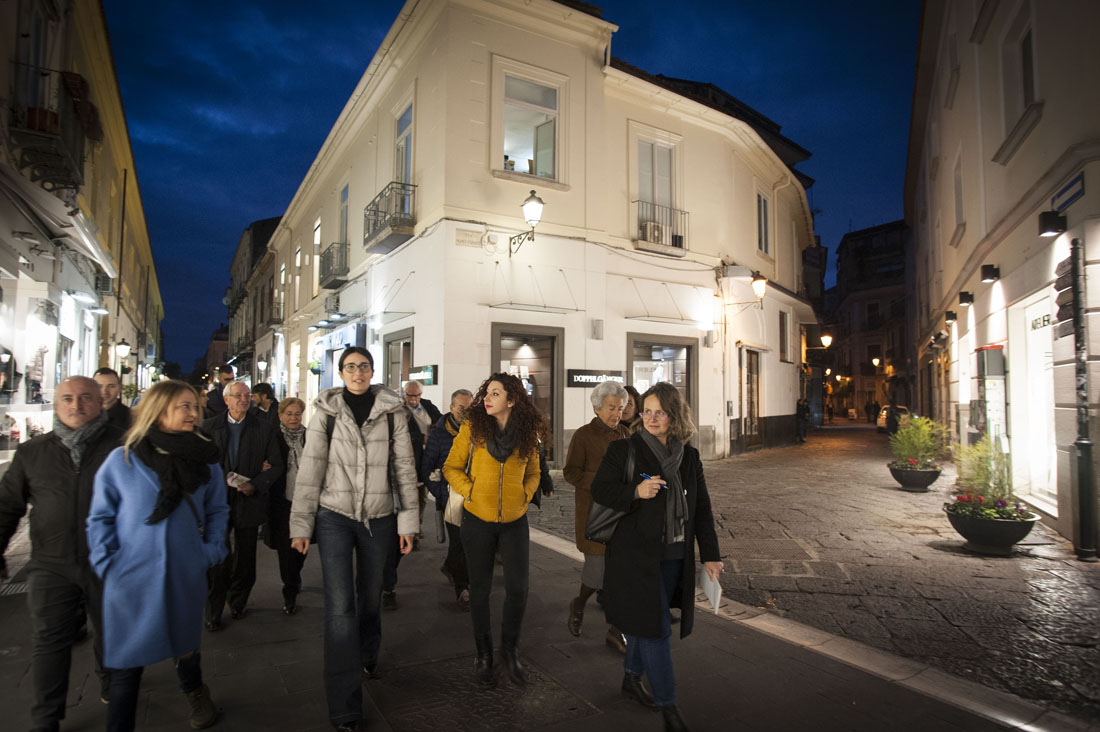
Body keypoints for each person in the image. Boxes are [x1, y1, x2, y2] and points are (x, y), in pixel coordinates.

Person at [87, 379, 230, 732]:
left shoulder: (204, 458)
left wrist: (210, 550)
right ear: (159, 409)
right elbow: (100, 517)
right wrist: (108, 563)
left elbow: (218, 510)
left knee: (186, 647)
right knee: (126, 666)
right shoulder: (122, 459)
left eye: (194, 406)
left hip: (184, 570)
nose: (193, 412)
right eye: (184, 406)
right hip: (131, 577)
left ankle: (195, 692)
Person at [289, 347, 418, 732]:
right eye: (350, 367)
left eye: (364, 366)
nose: (357, 372)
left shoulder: (393, 410)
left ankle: (366, 652)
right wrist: (301, 525)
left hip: (379, 517)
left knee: (371, 595)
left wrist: (407, 522)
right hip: (334, 517)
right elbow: (309, 470)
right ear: (341, 373)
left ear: (373, 371)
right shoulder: (326, 412)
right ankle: (345, 706)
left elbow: (403, 466)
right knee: (339, 609)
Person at [590, 382, 722, 732]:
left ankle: (631, 678)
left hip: (674, 556)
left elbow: (702, 508)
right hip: (634, 557)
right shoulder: (625, 450)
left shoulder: (689, 457)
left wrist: (711, 554)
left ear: (674, 416)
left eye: (658, 412)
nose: (650, 417)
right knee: (656, 630)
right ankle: (668, 706)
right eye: (645, 410)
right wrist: (635, 490)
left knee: (647, 623)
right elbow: (600, 490)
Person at [0, 376, 123, 732]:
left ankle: (112, 687)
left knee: (111, 634)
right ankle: (46, 717)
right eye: (67, 398)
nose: (76, 405)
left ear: (99, 401)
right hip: (50, 565)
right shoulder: (33, 452)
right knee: (49, 642)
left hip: (108, 562)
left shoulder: (122, 447)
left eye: (85, 398)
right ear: (56, 404)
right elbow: (8, 506)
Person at [442, 373, 544, 687]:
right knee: (481, 591)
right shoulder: (473, 428)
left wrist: (525, 496)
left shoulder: (527, 432)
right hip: (477, 520)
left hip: (514, 522)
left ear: (511, 400)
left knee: (518, 589)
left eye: (495, 393)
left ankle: (509, 651)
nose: (487, 398)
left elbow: (535, 471)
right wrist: (470, 491)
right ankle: (483, 654)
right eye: (486, 392)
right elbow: (451, 466)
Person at [202, 380, 283, 629]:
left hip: (249, 499)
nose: (243, 400)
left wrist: (256, 484)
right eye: (238, 396)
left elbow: (277, 465)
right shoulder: (209, 427)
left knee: (246, 556)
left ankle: (238, 602)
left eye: (247, 396)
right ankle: (213, 610)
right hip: (218, 500)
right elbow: (201, 464)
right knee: (217, 555)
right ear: (226, 400)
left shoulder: (263, 427)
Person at [563, 380, 631, 653]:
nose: (617, 413)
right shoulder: (583, 435)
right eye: (611, 408)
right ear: (597, 408)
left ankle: (616, 631)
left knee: (621, 575)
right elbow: (571, 472)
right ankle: (578, 603)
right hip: (594, 516)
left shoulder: (626, 435)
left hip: (623, 516)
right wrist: (604, 482)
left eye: (621, 408)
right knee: (596, 572)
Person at [421, 388, 474, 610]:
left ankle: (451, 567)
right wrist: (440, 492)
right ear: (452, 407)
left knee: (469, 543)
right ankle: (463, 590)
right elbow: (426, 468)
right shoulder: (439, 433)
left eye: (470, 407)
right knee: (459, 542)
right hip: (450, 497)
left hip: (473, 495)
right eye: (462, 407)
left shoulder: (478, 431)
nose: (466, 411)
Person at [266, 397, 308, 615]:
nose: (294, 418)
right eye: (289, 414)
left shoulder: (311, 437)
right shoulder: (272, 437)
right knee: (286, 549)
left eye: (297, 414)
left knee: (301, 549)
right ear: (281, 415)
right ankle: (289, 591)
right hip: (282, 501)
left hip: (306, 501)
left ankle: (295, 575)